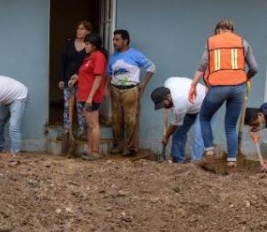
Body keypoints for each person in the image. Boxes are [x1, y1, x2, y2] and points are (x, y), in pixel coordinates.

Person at [189, 19, 259, 170]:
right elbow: (254, 67)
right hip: (239, 88)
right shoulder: (243, 42)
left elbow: (202, 66)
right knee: (230, 126)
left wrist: (194, 84)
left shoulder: (211, 42)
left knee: (204, 117)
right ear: (231, 30)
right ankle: (232, 161)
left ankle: (209, 150)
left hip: (218, 87)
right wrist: (244, 79)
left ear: (218, 30)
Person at [107, 29, 156, 157]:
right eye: (113, 39)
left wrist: (143, 84)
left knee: (130, 120)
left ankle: (129, 147)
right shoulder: (113, 57)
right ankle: (118, 145)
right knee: (116, 120)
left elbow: (152, 67)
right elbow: (108, 74)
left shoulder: (136, 55)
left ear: (125, 41)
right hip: (115, 89)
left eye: (117, 39)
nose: (114, 42)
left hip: (130, 90)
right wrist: (105, 89)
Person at [150, 77, 207, 164]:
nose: (163, 107)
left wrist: (166, 137)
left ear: (168, 97)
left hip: (205, 102)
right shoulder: (167, 83)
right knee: (178, 133)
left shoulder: (179, 103)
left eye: (163, 104)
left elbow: (174, 124)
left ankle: (196, 163)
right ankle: (178, 161)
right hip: (190, 104)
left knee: (198, 133)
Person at [69, 33, 108, 160]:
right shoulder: (89, 57)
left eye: (87, 44)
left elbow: (98, 77)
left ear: (94, 45)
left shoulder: (99, 57)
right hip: (84, 95)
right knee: (89, 125)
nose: (84, 46)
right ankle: (90, 150)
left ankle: (95, 152)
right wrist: (77, 77)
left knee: (93, 125)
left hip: (91, 96)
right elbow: (88, 75)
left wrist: (90, 97)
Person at [59, 21, 90, 141]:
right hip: (68, 80)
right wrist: (61, 78)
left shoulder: (89, 46)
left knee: (81, 106)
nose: (79, 31)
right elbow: (63, 61)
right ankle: (67, 131)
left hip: (83, 81)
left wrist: (79, 75)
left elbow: (89, 64)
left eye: (82, 29)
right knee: (67, 106)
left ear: (88, 31)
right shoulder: (70, 43)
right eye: (78, 28)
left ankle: (82, 131)